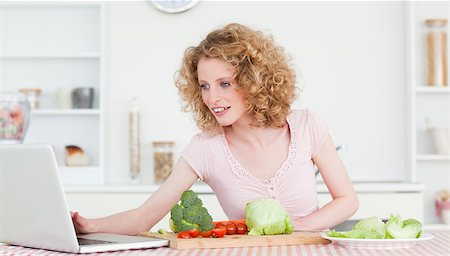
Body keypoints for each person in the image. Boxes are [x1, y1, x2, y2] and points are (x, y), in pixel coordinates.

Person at [71, 23, 358, 235]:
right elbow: (146, 215)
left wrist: (298, 227)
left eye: (224, 84)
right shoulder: (205, 148)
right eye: (204, 86)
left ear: (254, 81)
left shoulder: (307, 125)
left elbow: (347, 200)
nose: (212, 99)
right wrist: (90, 225)